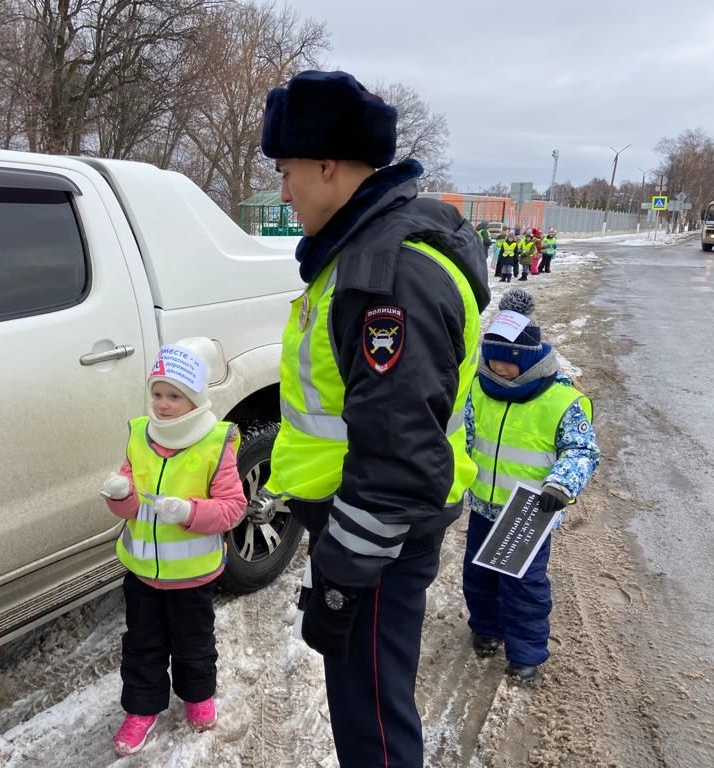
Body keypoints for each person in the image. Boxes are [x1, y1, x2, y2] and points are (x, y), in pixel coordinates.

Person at [259, 70, 490, 767]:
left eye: (286, 170)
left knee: (374, 726)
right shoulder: (363, 253)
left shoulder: (385, 273)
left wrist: (345, 568)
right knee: (364, 706)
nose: (282, 190)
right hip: (367, 527)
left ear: (328, 166)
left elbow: (398, 454)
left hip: (379, 538)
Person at [101, 340, 246, 756]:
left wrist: (187, 511)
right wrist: (120, 494)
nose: (162, 406)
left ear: (196, 399)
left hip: (192, 575)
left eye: (174, 397)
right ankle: (141, 709)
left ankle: (197, 696)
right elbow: (130, 507)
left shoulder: (215, 444)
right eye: (157, 394)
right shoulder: (139, 435)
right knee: (142, 643)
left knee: (194, 641)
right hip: (143, 571)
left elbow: (233, 507)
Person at [462, 288, 600, 685]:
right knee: (479, 576)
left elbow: (582, 451)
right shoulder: (479, 388)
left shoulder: (561, 400)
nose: (496, 369)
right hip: (485, 508)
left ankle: (526, 653)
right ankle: (486, 629)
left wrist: (561, 483)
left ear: (526, 360)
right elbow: (464, 437)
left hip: (528, 515)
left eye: (505, 363)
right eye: (490, 360)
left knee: (524, 589)